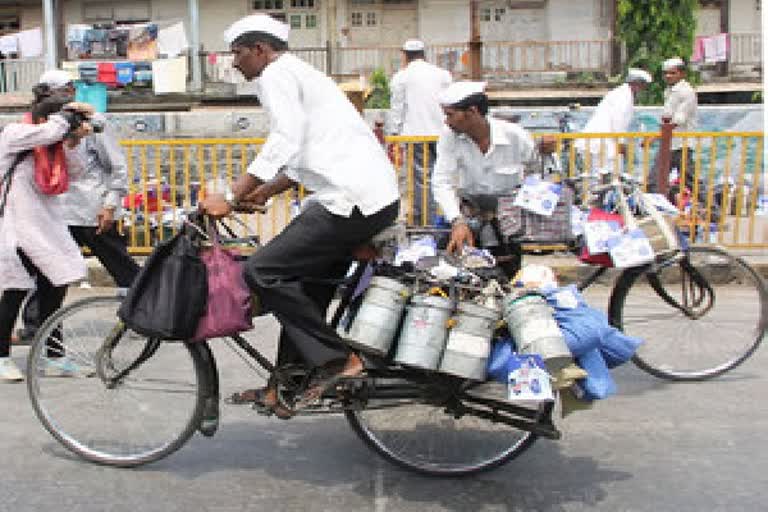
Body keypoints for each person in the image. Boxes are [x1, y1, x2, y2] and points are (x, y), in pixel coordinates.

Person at [199, 14, 399, 416]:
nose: (234, 63)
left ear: (260, 49)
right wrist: (263, 192)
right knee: (302, 284)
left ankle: (340, 361)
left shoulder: (277, 75)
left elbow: (285, 140)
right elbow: (305, 153)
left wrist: (230, 194)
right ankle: (285, 386)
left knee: (262, 271)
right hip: (365, 197)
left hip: (350, 200)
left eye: (238, 53)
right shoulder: (299, 74)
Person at [17, 70, 139, 344]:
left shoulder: (93, 123)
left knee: (120, 264)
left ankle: (148, 312)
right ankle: (38, 326)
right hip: (56, 210)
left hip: (89, 208)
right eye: (62, 90)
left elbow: (115, 165)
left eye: (70, 89)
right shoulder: (39, 125)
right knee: (48, 270)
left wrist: (110, 204)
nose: (67, 94)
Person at [0, 91, 95, 382]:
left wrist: (74, 141)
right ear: (45, 118)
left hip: (47, 228)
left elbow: (77, 172)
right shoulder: (16, 134)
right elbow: (49, 130)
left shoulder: (53, 143)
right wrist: (66, 119)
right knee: (14, 293)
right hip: (17, 227)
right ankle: (1, 357)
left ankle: (53, 356)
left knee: (54, 290)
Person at [432, 81, 537, 276]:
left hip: (508, 223)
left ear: (472, 112)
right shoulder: (449, 137)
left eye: (450, 115)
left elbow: (536, 171)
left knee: (508, 278)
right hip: (470, 218)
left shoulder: (516, 136)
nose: (447, 121)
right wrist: (457, 221)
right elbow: (441, 181)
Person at [387, 39, 452, 226]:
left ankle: (426, 221)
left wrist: (394, 136)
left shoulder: (402, 76)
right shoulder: (442, 75)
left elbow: (397, 109)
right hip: (442, 134)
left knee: (421, 180)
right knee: (442, 177)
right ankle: (439, 217)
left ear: (405, 55)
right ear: (424, 54)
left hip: (417, 135)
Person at [575, 68, 652, 176]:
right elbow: (618, 120)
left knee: (598, 176)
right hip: (602, 142)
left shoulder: (619, 93)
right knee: (608, 177)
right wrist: (621, 142)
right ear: (637, 84)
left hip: (598, 142)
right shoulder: (624, 96)